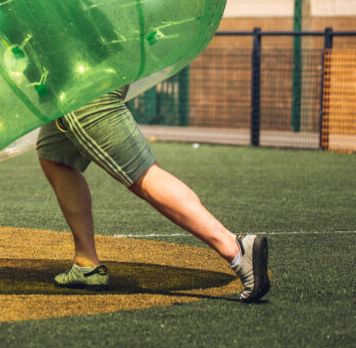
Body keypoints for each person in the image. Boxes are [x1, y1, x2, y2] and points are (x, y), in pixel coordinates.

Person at [36, 85, 270, 302]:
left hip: (80, 88)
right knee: (53, 155)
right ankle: (86, 263)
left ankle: (235, 248)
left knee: (143, 175)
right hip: (77, 85)